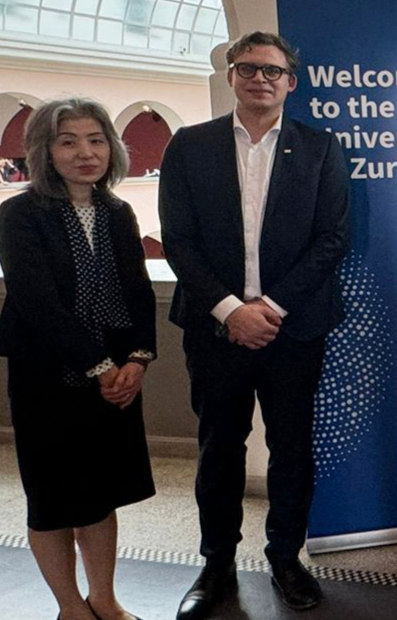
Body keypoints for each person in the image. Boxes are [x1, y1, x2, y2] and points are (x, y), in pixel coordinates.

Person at [160, 31, 351, 618]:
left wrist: (268, 309)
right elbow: (179, 241)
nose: (259, 79)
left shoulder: (321, 148)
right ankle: (216, 564)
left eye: (272, 71)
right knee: (220, 448)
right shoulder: (189, 146)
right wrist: (230, 310)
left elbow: (331, 240)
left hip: (292, 330)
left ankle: (285, 559)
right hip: (215, 329)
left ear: (291, 82)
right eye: (248, 68)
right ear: (231, 77)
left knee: (292, 448)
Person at [0, 98, 156, 620]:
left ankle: (104, 600)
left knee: (99, 494)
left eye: (95, 140)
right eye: (68, 141)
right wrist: (99, 366)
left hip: (117, 377)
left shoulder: (118, 211)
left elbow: (135, 290)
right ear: (45, 151)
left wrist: (136, 360)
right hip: (47, 377)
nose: (85, 152)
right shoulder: (19, 215)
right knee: (52, 500)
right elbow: (37, 302)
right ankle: (71, 607)